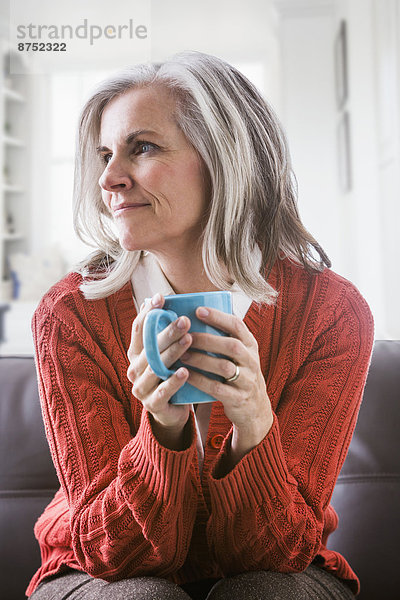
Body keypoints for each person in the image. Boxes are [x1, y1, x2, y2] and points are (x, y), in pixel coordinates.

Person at [28, 52, 373, 600]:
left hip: (275, 571)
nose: (109, 179)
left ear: (227, 160)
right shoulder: (72, 314)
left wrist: (253, 424)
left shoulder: (330, 314)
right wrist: (161, 432)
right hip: (97, 569)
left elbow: (276, 555)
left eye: (141, 147)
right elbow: (114, 554)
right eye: (103, 154)